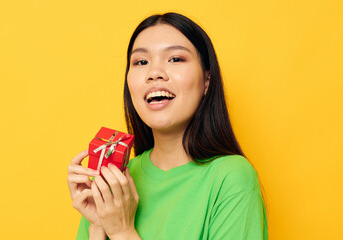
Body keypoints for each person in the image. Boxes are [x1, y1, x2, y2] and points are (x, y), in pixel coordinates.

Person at [67, 12, 268, 240]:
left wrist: (122, 231)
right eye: (141, 62)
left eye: (175, 59)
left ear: (207, 81)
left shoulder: (230, 178)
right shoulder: (116, 182)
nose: (154, 73)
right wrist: (98, 226)